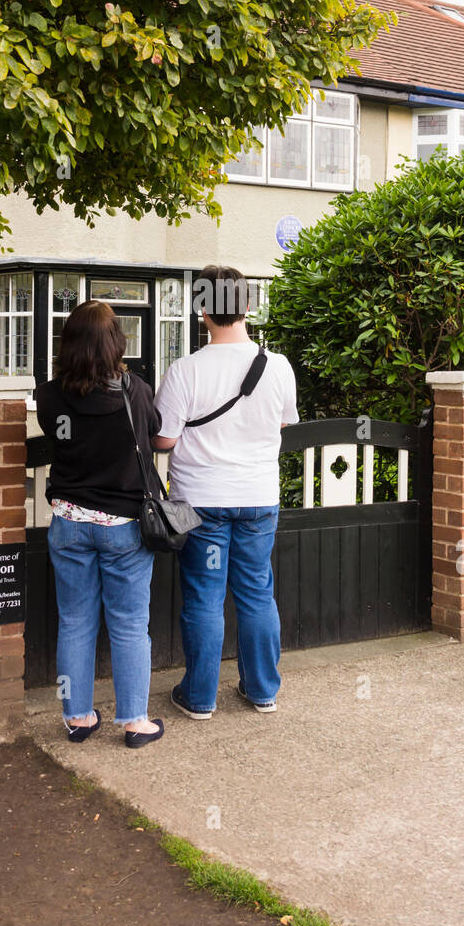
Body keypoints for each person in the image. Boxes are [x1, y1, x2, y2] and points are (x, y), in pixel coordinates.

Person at [153, 265, 299, 718]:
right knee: (256, 591)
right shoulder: (277, 366)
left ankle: (199, 698)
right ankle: (261, 692)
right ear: (249, 306)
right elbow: (281, 421)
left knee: (204, 595)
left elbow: (163, 440)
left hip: (202, 502)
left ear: (202, 310)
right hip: (258, 497)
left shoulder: (185, 370)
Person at [35, 300, 164, 749]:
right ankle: (134, 722)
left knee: (74, 621)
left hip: (69, 521)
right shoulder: (136, 391)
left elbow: (58, 433)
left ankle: (78, 717)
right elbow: (155, 432)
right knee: (129, 624)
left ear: (67, 344)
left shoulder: (50, 396)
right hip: (124, 525)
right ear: (116, 344)